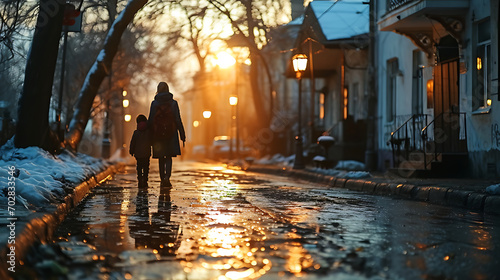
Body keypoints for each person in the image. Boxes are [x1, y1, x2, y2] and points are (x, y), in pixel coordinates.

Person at [148, 82, 186, 187]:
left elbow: (151, 120)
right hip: (171, 134)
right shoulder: (173, 103)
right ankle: (167, 178)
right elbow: (178, 119)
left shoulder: (154, 104)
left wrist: (148, 135)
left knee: (161, 157)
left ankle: (162, 179)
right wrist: (182, 134)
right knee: (169, 157)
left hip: (158, 135)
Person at [129, 114, 151, 188]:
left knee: (139, 167)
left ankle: (140, 180)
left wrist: (131, 151)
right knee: (146, 168)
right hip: (146, 154)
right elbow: (152, 142)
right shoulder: (148, 132)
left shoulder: (136, 133)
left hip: (138, 154)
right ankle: (145, 180)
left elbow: (133, 143)